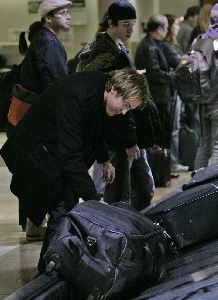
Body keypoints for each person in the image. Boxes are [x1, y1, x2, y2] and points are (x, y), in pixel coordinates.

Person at [1, 68, 150, 273]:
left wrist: (104, 159)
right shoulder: (77, 96)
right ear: (114, 89)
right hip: (38, 154)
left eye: (129, 109)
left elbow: (93, 128)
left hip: (54, 153)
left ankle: (52, 269)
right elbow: (70, 157)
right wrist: (93, 201)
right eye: (125, 106)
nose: (124, 112)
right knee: (63, 210)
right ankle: (49, 274)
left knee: (66, 210)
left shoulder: (101, 91)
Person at [77, 0, 155, 211]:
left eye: (133, 23)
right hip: (117, 134)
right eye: (125, 24)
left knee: (136, 184)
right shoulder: (110, 54)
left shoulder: (108, 47)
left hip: (115, 132)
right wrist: (130, 140)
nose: (130, 29)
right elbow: (120, 104)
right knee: (123, 188)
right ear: (112, 23)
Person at [7, 0, 72, 241]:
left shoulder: (46, 40)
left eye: (68, 12)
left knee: (32, 168)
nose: (68, 17)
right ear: (48, 18)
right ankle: (35, 223)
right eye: (62, 13)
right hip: (37, 118)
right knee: (40, 169)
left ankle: (33, 224)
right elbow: (54, 83)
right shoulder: (48, 42)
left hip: (27, 116)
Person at [135, 15, 175, 150]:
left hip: (158, 95)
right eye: (166, 29)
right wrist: (173, 75)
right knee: (159, 133)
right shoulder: (149, 46)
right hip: (157, 96)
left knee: (161, 132)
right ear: (159, 29)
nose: (167, 31)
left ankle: (162, 167)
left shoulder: (152, 44)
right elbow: (154, 73)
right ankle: (160, 168)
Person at [163, 14, 189, 174]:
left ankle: (173, 161)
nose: (178, 28)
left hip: (175, 90)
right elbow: (180, 62)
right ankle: (172, 162)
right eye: (176, 25)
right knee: (173, 128)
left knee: (175, 127)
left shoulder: (172, 44)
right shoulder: (167, 46)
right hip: (171, 91)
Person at [194, 3, 218, 169]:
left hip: (203, 100)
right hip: (216, 98)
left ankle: (196, 186)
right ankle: (213, 191)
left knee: (204, 145)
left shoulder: (201, 38)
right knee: (217, 147)